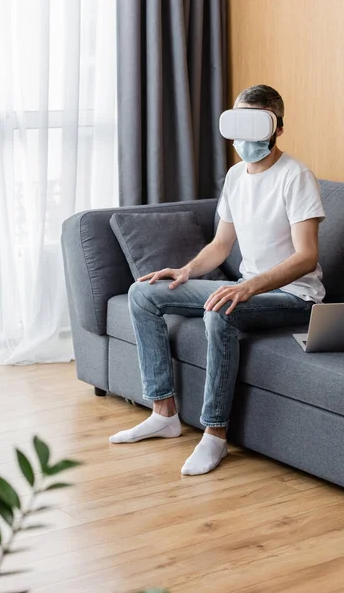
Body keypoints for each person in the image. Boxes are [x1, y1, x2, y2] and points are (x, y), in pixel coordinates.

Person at [109, 84, 326, 476]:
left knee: (220, 312)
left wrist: (247, 287)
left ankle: (215, 436)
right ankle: (164, 413)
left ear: (277, 128)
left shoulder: (296, 177)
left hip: (295, 297)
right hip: (250, 289)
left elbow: (306, 256)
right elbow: (222, 243)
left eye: (256, 124)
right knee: (143, 293)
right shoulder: (235, 176)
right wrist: (187, 270)